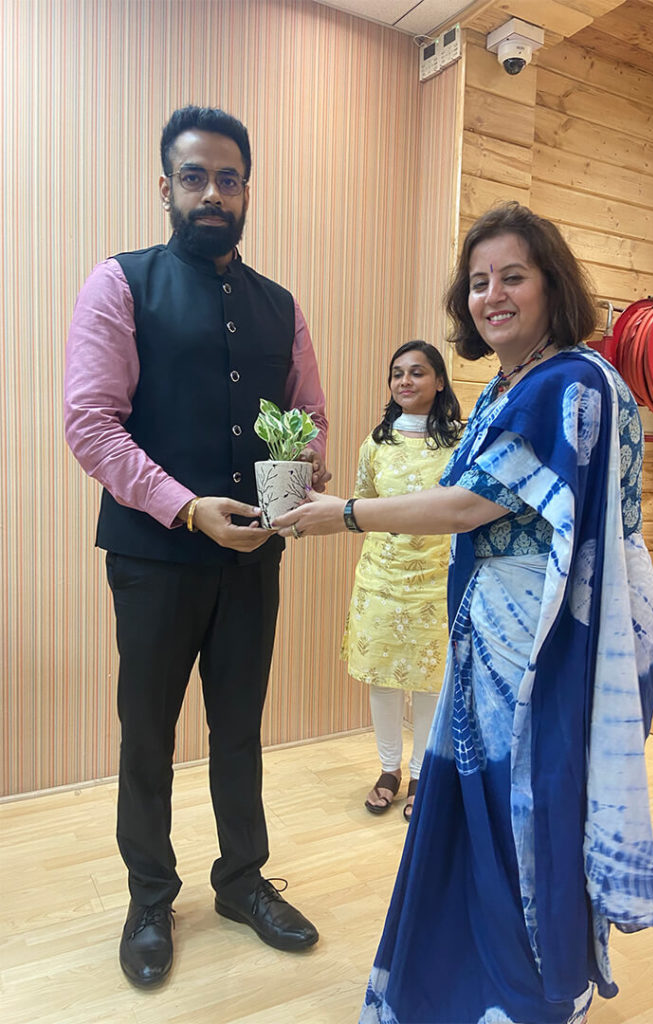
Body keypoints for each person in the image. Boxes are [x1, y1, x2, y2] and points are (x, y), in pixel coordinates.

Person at [273, 202, 653, 1023]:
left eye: (513, 276)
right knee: (480, 811)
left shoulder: (570, 383)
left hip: (547, 645)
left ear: (552, 285)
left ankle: (528, 997)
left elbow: (468, 506)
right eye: (479, 281)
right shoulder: (508, 387)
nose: (493, 295)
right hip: (493, 636)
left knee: (529, 815)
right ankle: (469, 984)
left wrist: (345, 515)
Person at [64, 105, 330, 988]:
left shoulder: (282, 306)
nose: (211, 193)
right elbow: (91, 424)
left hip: (253, 558)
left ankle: (242, 881)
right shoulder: (120, 283)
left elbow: (311, 418)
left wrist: (300, 474)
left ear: (247, 190)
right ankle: (150, 896)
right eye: (194, 177)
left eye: (228, 178)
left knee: (241, 729)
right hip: (154, 558)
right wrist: (186, 508)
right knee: (147, 733)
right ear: (166, 187)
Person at [342, 341, 462, 821]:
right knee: (383, 679)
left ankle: (420, 774)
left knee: (431, 682)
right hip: (381, 579)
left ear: (439, 381)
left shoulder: (460, 441)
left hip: (436, 579)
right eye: (397, 373)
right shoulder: (376, 443)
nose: (405, 381)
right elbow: (362, 505)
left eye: (417, 372)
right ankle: (388, 770)